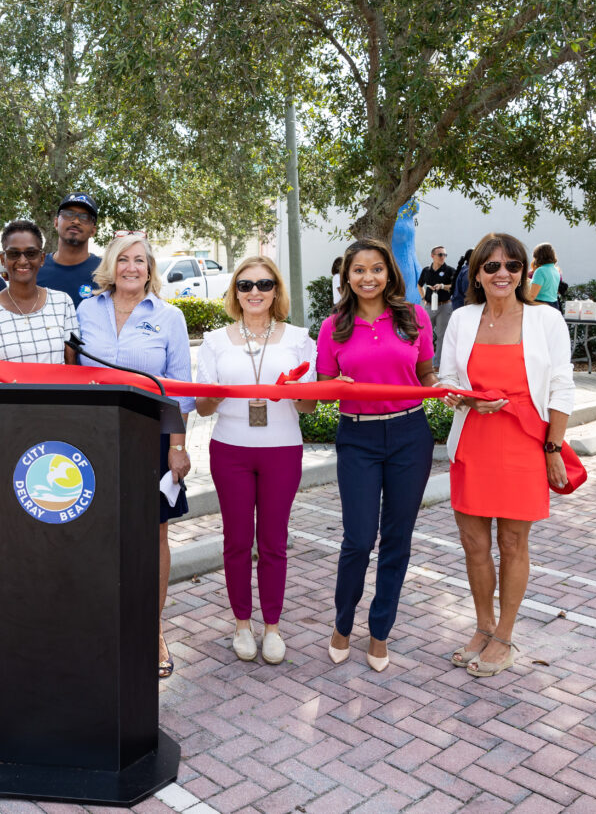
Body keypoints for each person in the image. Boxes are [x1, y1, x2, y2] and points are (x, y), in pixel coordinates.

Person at [439, 233, 573, 678]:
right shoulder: (461, 319)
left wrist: (553, 448)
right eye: (492, 266)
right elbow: (446, 382)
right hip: (473, 442)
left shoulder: (546, 320)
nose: (503, 274)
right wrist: (462, 398)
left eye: (513, 266)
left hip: (524, 443)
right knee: (474, 545)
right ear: (476, 273)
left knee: (513, 543)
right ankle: (483, 627)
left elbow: (561, 387)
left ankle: (505, 636)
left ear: (524, 273)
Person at [76, 232, 193, 678]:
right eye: (123, 259)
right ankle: (103, 624)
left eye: (139, 261)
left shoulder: (170, 317)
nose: (131, 267)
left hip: (151, 440)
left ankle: (150, 628)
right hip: (93, 441)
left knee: (152, 539)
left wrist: (177, 448)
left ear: (150, 268)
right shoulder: (86, 310)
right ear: (110, 264)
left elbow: (178, 390)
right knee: (97, 535)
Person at [317, 240, 438, 672]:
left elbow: (425, 371)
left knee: (397, 540)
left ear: (389, 273)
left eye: (377, 269)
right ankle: (343, 623)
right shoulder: (334, 326)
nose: (368, 277)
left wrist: (441, 385)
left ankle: (380, 630)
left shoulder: (413, 316)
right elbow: (324, 387)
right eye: (358, 270)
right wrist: (334, 387)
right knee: (359, 539)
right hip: (358, 437)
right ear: (346, 277)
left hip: (410, 433)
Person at [195, 256, 316, 665]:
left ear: (276, 290)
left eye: (264, 284)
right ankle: (242, 623)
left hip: (282, 449)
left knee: (273, 542)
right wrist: (219, 391)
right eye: (245, 285)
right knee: (237, 540)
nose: (255, 293)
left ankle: (273, 627)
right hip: (230, 449)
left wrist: (295, 394)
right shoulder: (214, 341)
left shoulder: (299, 339)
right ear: (235, 292)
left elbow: (310, 409)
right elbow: (203, 408)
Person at [0, 220, 78, 365]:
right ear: (3, 260)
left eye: (31, 253)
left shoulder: (62, 303)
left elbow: (71, 365)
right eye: (14, 254)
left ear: (42, 258)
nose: (23, 260)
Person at [36, 192, 103, 307]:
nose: (76, 221)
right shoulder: (36, 269)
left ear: (93, 231)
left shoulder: (106, 271)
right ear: (56, 223)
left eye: (85, 217)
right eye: (68, 214)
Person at [417, 245, 456, 368]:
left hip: (444, 306)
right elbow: (419, 285)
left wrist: (443, 286)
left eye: (445, 255)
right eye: (440, 255)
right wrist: (423, 298)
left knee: (442, 336)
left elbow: (454, 286)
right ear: (432, 256)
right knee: (424, 334)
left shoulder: (450, 270)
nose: (443, 257)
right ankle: (423, 363)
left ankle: (437, 365)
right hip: (429, 306)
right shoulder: (426, 270)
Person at [526, 243, 561, 310]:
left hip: (541, 305)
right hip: (554, 305)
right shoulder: (556, 270)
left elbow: (532, 295)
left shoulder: (540, 271)